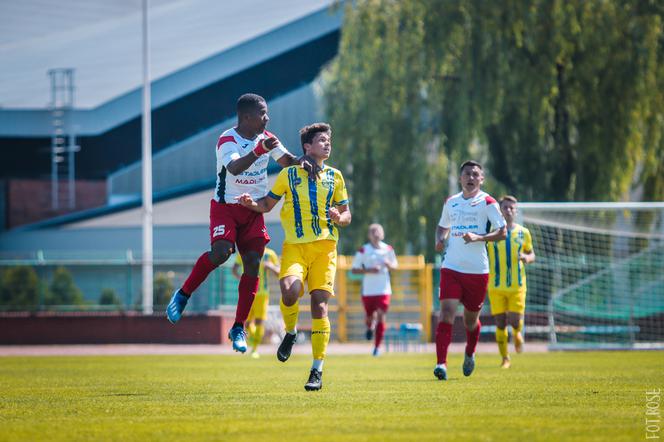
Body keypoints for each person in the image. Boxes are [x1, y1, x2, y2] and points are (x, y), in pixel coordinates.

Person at [166, 93, 317, 353]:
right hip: (226, 207)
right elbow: (235, 168)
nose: (267, 118)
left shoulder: (268, 139)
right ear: (246, 117)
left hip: (252, 209)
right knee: (222, 253)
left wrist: (303, 161)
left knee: (253, 263)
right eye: (262, 114)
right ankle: (183, 294)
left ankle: (238, 327)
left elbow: (286, 161)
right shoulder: (228, 140)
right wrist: (260, 150)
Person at [236, 122, 351, 391]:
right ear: (307, 147)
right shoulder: (288, 174)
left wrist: (339, 217)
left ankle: (316, 370)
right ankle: (290, 332)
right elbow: (266, 204)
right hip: (296, 247)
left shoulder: (336, 176)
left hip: (325, 247)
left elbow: (347, 214)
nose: (327, 144)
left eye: (328, 140)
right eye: (321, 140)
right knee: (289, 292)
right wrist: (249, 203)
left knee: (319, 306)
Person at [433, 160, 507, 381]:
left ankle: (469, 352)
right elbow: (441, 226)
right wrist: (439, 239)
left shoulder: (488, 202)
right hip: (451, 267)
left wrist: (479, 237)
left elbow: (502, 232)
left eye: (475, 174)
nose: (471, 177)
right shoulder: (451, 202)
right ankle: (441, 364)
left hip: (477, 271)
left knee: (470, 321)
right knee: (446, 313)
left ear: (481, 179)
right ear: (460, 178)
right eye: (467, 174)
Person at [487, 195, 535, 368]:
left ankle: (517, 334)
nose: (508, 210)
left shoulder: (524, 233)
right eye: (505, 207)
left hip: (517, 285)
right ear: (500, 211)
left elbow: (532, 254)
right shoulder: (491, 233)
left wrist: (526, 258)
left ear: (516, 211)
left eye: (511, 208)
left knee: (515, 321)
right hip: (495, 285)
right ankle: (505, 358)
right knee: (500, 323)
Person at [351, 223, 398, 356]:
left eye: (378, 231)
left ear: (382, 233)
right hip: (368, 290)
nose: (376, 233)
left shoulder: (388, 249)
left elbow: (395, 265)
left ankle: (377, 347)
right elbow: (354, 269)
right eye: (373, 231)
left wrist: (389, 265)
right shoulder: (363, 250)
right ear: (369, 235)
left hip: (384, 289)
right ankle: (369, 327)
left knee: (382, 316)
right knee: (370, 316)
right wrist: (370, 270)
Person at [232, 246, 281, 359]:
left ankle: (255, 348)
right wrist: (242, 279)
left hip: (262, 294)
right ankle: (254, 339)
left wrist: (271, 266)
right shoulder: (245, 252)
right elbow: (234, 269)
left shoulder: (270, 254)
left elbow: (279, 272)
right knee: (247, 323)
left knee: (259, 321)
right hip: (248, 292)